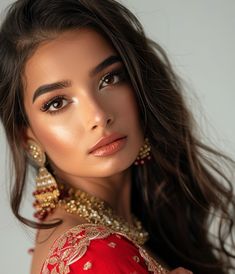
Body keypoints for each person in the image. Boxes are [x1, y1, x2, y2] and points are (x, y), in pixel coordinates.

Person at [0, 0, 234, 273]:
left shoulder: (120, 228)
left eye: (109, 79)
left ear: (138, 84)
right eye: (57, 103)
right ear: (27, 134)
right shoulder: (95, 255)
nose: (98, 116)